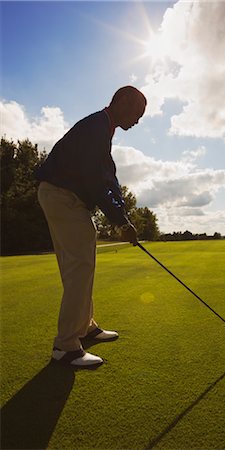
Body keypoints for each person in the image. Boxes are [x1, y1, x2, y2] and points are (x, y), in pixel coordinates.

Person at [36, 86, 147, 368]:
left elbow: (108, 177)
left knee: (82, 263)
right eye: (137, 112)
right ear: (121, 101)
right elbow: (93, 181)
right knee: (79, 267)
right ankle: (66, 347)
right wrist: (120, 221)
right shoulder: (97, 126)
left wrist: (123, 214)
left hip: (63, 197)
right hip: (62, 196)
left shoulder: (103, 129)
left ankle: (85, 327)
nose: (138, 120)